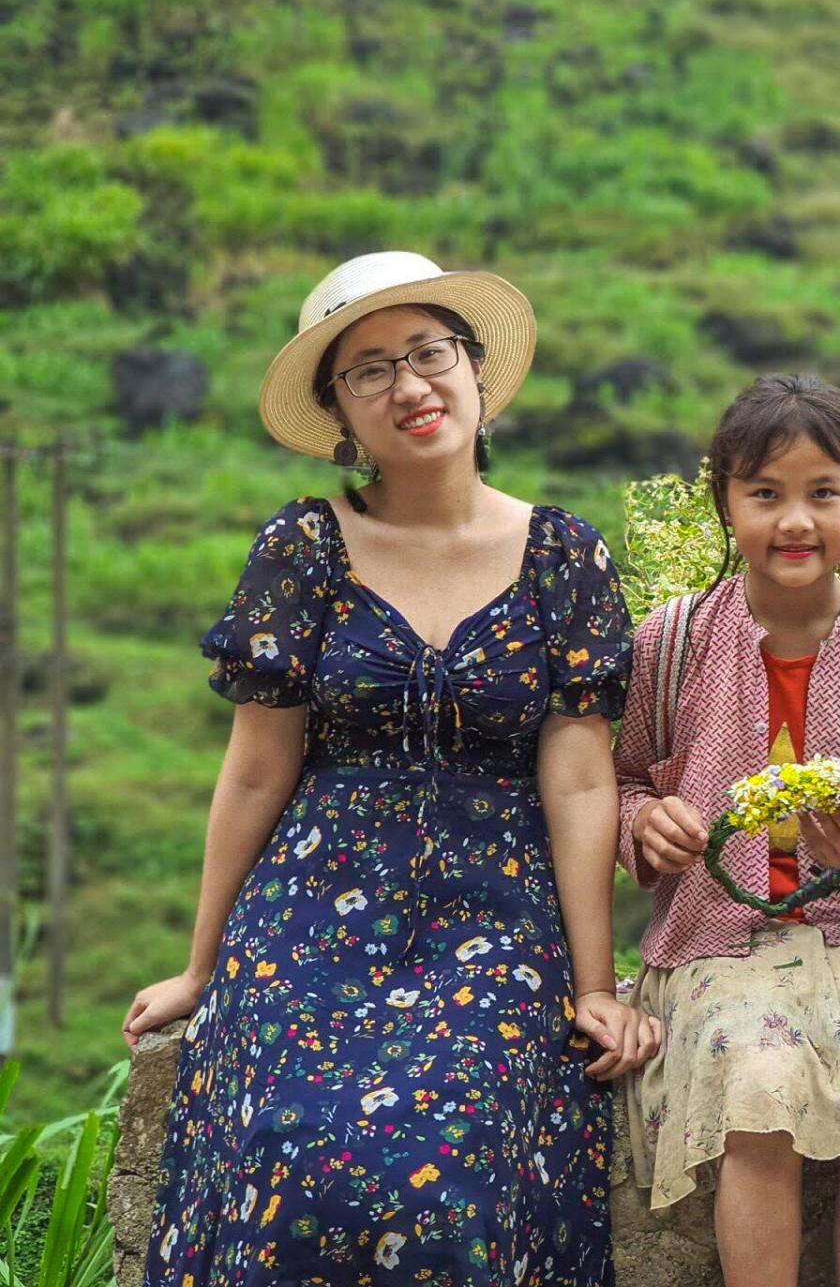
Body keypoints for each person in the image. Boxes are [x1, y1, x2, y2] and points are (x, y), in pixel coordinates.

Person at [124, 250, 656, 1286]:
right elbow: (253, 773)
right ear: (339, 413)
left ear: (476, 370)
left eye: (429, 353)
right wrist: (201, 966)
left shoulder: (563, 557)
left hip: (492, 910)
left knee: (448, 1156)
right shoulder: (303, 549)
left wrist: (595, 986)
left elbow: (583, 782)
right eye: (369, 370)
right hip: (312, 906)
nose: (410, 386)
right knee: (291, 1141)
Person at [614, 373, 840, 1287]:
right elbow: (621, 780)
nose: (795, 521)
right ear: (724, 500)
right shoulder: (670, 641)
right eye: (765, 494)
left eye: (822, 493)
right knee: (757, 1085)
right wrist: (650, 822)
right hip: (716, 944)